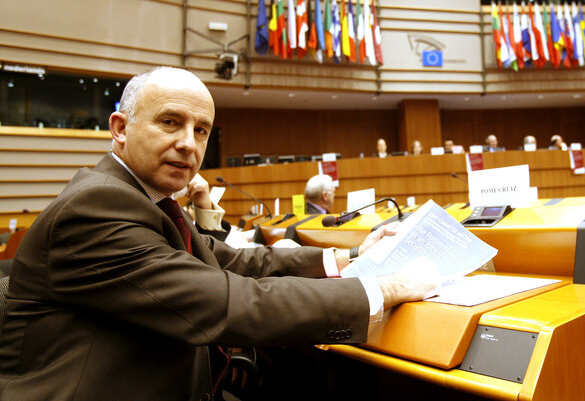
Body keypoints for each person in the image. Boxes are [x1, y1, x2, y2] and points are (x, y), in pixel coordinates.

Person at [0, 67, 435, 401]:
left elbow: (226, 258)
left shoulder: (145, 197)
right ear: (120, 129)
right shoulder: (96, 207)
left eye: (201, 130)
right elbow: (228, 302)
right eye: (170, 122)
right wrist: (383, 288)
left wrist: (346, 257)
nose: (189, 143)